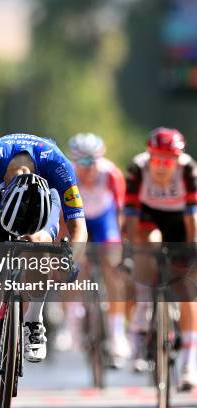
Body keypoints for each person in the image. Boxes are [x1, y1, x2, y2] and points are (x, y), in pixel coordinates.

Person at [0, 133, 88, 408]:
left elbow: (79, 227)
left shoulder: (59, 165)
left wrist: (70, 260)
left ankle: (33, 321)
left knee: (40, 247)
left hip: (42, 203)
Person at [125, 127, 197, 391]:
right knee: (148, 247)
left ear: (178, 160)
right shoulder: (137, 168)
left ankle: (190, 363)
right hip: (148, 217)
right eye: (157, 159)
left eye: (168, 161)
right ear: (149, 155)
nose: (162, 166)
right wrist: (134, 249)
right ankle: (145, 305)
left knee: (187, 289)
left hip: (180, 221)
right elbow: (131, 217)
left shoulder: (189, 171)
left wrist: (190, 252)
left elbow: (192, 220)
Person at [67, 133, 131, 366]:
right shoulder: (67, 175)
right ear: (74, 161)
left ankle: (117, 334)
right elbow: (63, 218)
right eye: (82, 162)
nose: (88, 168)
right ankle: (74, 322)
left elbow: (122, 212)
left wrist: (121, 242)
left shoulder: (111, 173)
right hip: (78, 221)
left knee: (112, 268)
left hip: (104, 221)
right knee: (74, 266)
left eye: (92, 161)